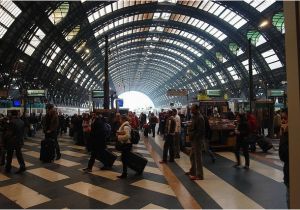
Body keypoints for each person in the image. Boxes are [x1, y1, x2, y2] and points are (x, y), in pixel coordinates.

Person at [186, 104, 205, 180]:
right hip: (194, 140)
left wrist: (194, 137)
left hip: (197, 140)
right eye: (191, 109)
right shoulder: (194, 117)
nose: (191, 111)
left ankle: (200, 175)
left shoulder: (200, 118)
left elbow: (200, 131)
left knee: (198, 158)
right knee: (192, 156)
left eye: (192, 109)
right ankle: (193, 171)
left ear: (197, 109)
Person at [279, 108, 289, 208]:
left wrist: (284, 134)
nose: (282, 121)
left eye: (285, 118)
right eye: (281, 118)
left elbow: (283, 154)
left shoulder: (289, 135)